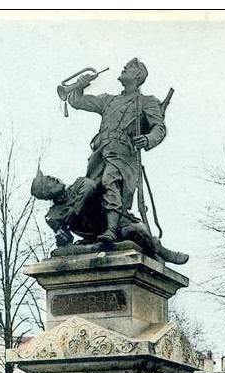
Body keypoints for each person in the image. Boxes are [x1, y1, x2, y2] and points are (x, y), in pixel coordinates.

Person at [67, 58, 166, 244]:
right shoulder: (109, 100)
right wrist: (80, 86)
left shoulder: (146, 101)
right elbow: (78, 101)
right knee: (92, 189)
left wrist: (147, 139)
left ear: (137, 75)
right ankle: (94, 231)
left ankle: (111, 230)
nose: (124, 68)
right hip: (99, 154)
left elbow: (159, 128)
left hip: (123, 155)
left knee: (109, 181)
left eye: (128, 68)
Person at [31, 170, 189, 265]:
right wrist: (62, 238)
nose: (53, 178)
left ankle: (160, 251)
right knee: (133, 240)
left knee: (135, 232)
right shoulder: (53, 216)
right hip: (95, 237)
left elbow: (90, 186)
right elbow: (66, 240)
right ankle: (156, 257)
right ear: (47, 194)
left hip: (115, 224)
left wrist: (75, 209)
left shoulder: (79, 184)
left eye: (51, 177)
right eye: (48, 181)